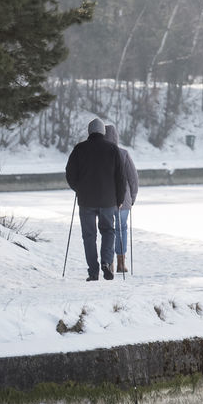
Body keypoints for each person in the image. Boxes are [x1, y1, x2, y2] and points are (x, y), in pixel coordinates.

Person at [64, 117, 126, 281]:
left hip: (86, 201)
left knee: (89, 236)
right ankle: (106, 262)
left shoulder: (79, 149)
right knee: (108, 231)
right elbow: (120, 177)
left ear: (89, 131)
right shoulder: (113, 149)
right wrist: (119, 198)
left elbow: (69, 173)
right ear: (103, 132)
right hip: (108, 200)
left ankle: (93, 271)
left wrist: (79, 188)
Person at [104, 124, 139, 274]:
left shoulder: (99, 155)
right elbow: (133, 178)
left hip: (105, 199)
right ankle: (121, 262)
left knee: (108, 230)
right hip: (123, 200)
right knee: (121, 229)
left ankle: (109, 263)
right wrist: (133, 197)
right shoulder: (123, 154)